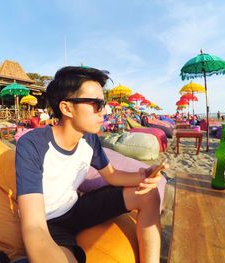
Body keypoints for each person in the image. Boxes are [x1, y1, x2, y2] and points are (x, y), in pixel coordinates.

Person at [16, 66, 163, 263]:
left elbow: (111, 175)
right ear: (66, 108)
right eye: (96, 104)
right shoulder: (33, 145)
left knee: (149, 194)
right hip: (49, 223)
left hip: (76, 208)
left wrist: (145, 175)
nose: (103, 111)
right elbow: (34, 226)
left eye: (102, 104)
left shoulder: (90, 139)